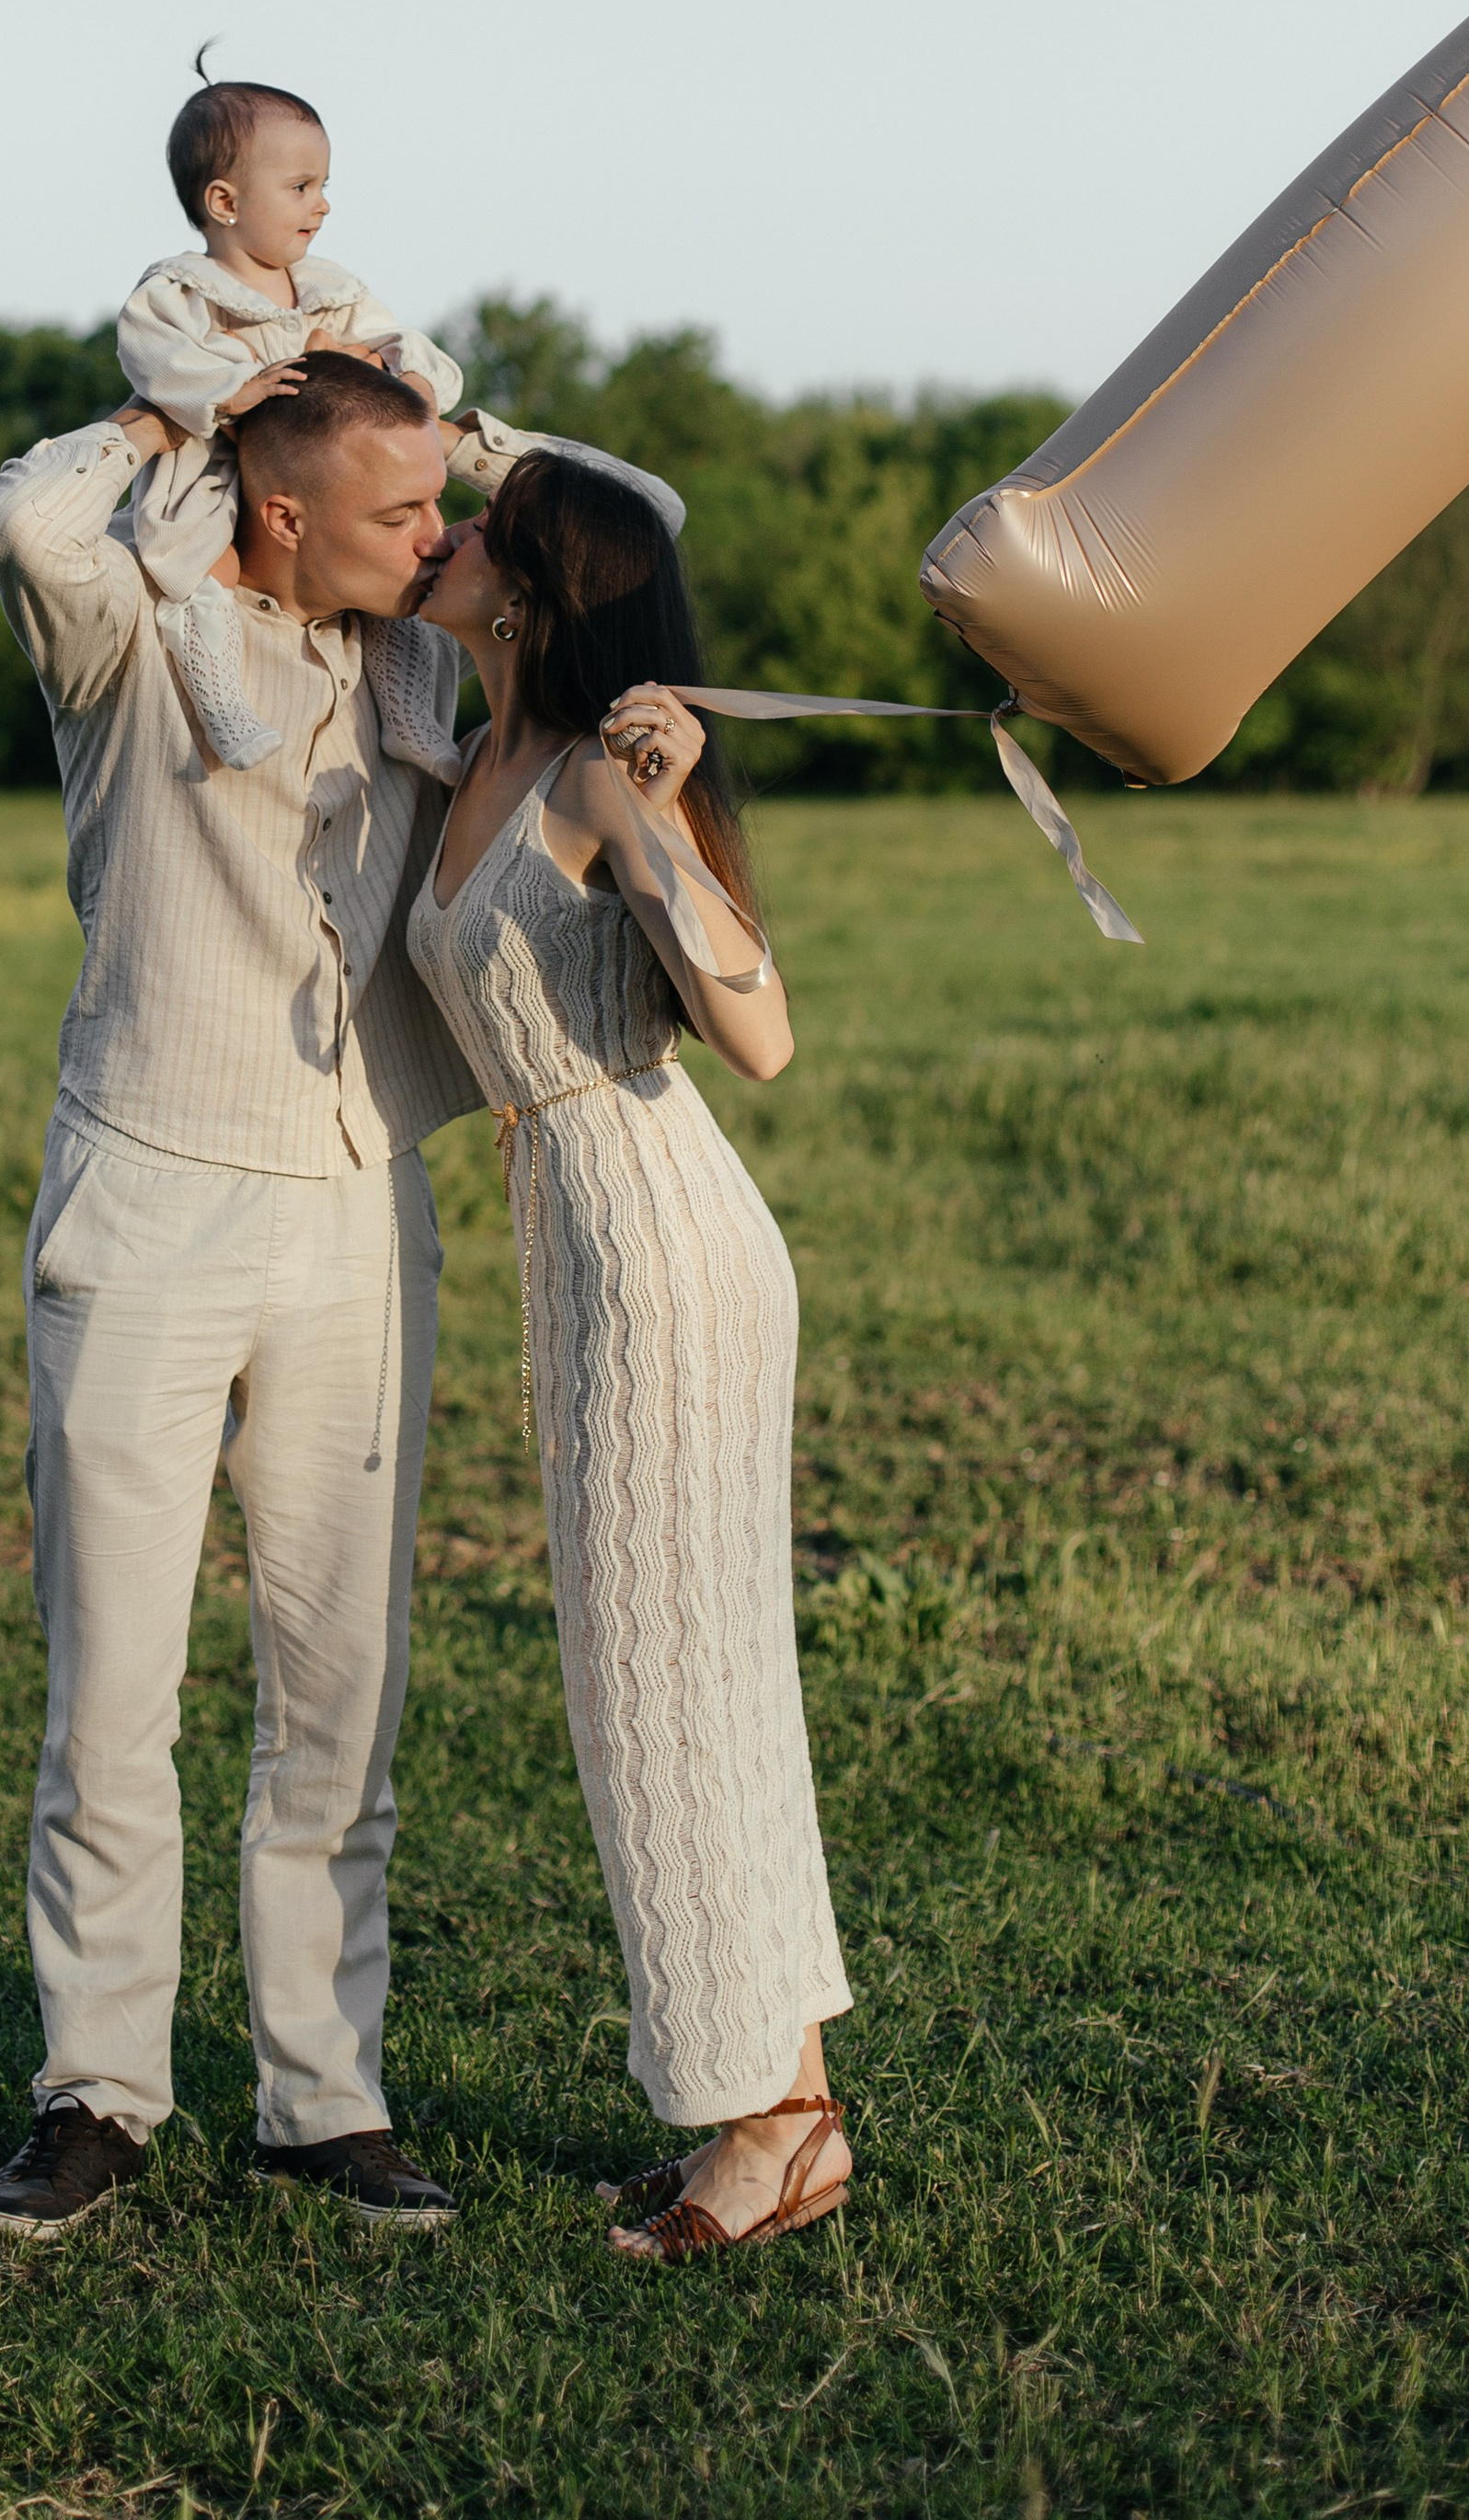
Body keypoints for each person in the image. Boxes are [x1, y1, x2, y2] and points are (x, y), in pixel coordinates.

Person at [0, 340, 680, 2240]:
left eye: (443, 507)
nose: (439, 536)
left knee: (338, 1688)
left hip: (356, 1209)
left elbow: (635, 522)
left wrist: (439, 414)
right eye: (399, 512)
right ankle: (97, 2090)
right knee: (111, 1681)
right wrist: (188, 397)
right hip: (142, 1196)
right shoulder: (131, 629)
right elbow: (17, 517)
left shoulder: (416, 660)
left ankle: (320, 2098)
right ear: (278, 513)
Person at [407, 450, 854, 2261]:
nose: (428, 534)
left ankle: (763, 2127)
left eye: (463, 524)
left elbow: (759, 1040)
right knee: (671, 1675)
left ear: (525, 584)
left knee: (670, 1685)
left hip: (660, 1238)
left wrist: (663, 825)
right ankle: (787, 2108)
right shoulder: (470, 753)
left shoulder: (595, 775)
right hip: (577, 1238)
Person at [114, 62, 464, 771]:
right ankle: (221, 697)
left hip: (320, 466)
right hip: (212, 461)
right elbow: (152, 358)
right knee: (207, 564)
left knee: (380, 576)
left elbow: (395, 339)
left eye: (324, 186)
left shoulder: (331, 290)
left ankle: (406, 712)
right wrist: (230, 389)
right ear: (224, 201)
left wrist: (412, 378)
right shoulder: (181, 292)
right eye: (302, 187)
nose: (323, 205)